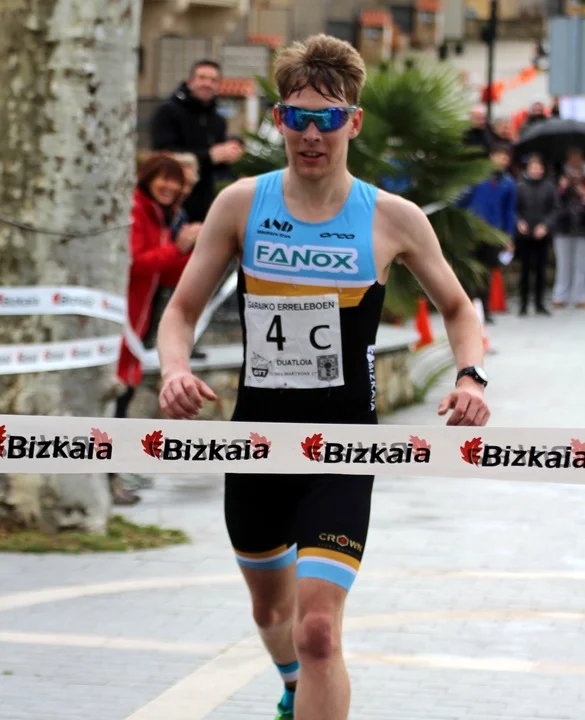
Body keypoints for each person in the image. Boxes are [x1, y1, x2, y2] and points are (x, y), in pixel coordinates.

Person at [156, 34, 491, 720]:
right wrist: (174, 369)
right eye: (298, 117)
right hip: (256, 442)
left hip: (342, 445)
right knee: (271, 612)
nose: (312, 134)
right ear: (278, 120)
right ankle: (289, 686)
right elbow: (181, 310)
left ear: (354, 123)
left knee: (317, 630)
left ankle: (303, 681)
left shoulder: (391, 217)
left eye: (328, 118)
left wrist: (470, 378)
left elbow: (459, 308)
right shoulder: (241, 205)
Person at [109, 152, 195, 505]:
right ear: (147, 177)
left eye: (177, 181)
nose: (171, 186)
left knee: (124, 394)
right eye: (164, 177)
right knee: (117, 396)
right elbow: (136, 263)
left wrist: (188, 250)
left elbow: (167, 275)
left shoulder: (161, 215)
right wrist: (176, 247)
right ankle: (108, 478)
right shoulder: (136, 209)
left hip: (137, 321)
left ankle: (112, 475)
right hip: (120, 321)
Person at [150, 59, 244, 223]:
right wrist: (209, 156)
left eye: (213, 80)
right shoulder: (168, 111)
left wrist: (230, 154)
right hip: (171, 199)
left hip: (203, 203)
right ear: (190, 81)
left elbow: (216, 165)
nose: (207, 83)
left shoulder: (218, 120)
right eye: (202, 78)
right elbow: (164, 154)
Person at [458, 143, 516, 323]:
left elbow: (509, 211)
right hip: (472, 230)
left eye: (506, 158)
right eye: (500, 156)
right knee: (468, 270)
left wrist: (509, 236)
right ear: (492, 157)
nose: (503, 161)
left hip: (493, 231)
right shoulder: (476, 176)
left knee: (487, 271)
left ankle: (484, 309)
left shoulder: (508, 183)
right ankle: (465, 309)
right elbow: (461, 201)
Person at [515, 153, 559, 316]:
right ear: (527, 169)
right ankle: (523, 304)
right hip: (524, 234)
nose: (536, 170)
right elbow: (513, 208)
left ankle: (540, 303)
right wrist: (519, 222)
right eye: (533, 167)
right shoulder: (520, 186)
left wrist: (545, 225)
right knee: (525, 270)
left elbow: (555, 209)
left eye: (539, 167)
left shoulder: (549, 186)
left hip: (542, 234)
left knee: (541, 270)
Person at [552, 148, 585, 309]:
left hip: (582, 225)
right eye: (572, 157)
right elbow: (553, 202)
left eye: (578, 157)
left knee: (582, 264)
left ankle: (581, 296)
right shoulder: (558, 177)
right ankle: (560, 295)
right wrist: (562, 188)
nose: (575, 160)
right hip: (563, 226)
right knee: (563, 263)